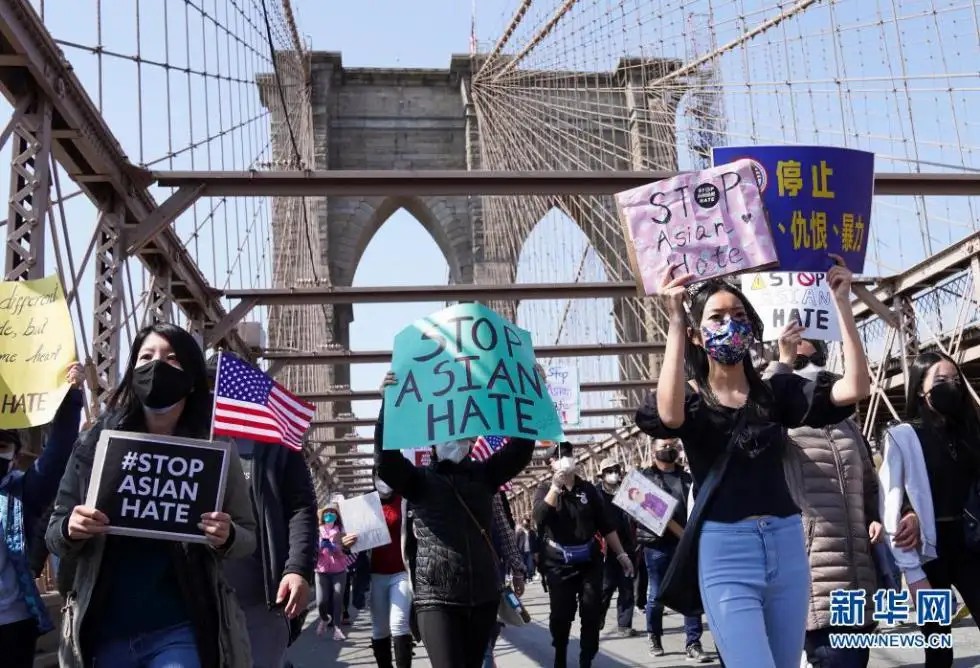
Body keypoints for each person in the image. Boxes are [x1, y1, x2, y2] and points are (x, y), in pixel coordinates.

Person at [635, 256, 870, 668]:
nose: (730, 323)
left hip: (785, 542)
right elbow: (668, 415)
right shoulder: (691, 399)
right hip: (725, 550)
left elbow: (855, 387)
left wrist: (843, 305)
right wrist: (674, 320)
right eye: (717, 317)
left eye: (739, 314)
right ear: (697, 335)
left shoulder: (775, 391)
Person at [46, 323, 257, 668]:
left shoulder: (215, 450)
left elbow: (247, 535)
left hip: (180, 628)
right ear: (132, 371)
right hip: (102, 630)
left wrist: (227, 535)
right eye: (146, 357)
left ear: (190, 376)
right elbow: (54, 533)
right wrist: (71, 528)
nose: (156, 366)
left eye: (171, 358)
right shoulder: (93, 444)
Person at [375, 372, 535, 668]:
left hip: (483, 596)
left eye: (463, 433)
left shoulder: (486, 476)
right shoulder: (419, 481)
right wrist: (388, 407)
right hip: (437, 597)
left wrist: (533, 395)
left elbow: (522, 449)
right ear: (433, 443)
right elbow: (386, 463)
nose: (457, 439)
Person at [765, 338, 883, 667]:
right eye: (800, 363)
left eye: (814, 355)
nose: (811, 369)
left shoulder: (847, 425)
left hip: (858, 575)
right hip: (813, 577)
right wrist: (782, 363)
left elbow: (870, 484)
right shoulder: (781, 427)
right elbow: (755, 415)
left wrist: (877, 517)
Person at [206, 355, 318, 668]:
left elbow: (302, 507)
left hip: (259, 595)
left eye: (220, 386)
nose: (213, 394)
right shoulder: (184, 435)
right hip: (197, 592)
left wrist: (298, 568)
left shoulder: (275, 442)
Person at [878, 351, 980, 668]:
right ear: (921, 388)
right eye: (939, 380)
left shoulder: (971, 432)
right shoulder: (903, 435)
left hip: (970, 546)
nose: (950, 386)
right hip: (928, 555)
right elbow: (890, 503)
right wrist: (912, 571)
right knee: (939, 646)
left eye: (954, 380)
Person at [0, 363, 84, 667]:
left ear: (16, 455)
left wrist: (71, 397)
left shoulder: (22, 492)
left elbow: (57, 455)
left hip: (11, 626)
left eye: (3, 446)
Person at [534, 441, 634, 668]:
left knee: (591, 610)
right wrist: (555, 488)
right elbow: (539, 518)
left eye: (569, 453)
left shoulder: (587, 489)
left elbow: (606, 526)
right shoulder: (544, 490)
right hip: (559, 563)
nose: (566, 458)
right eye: (559, 455)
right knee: (561, 614)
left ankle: (586, 658)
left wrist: (621, 554)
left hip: (589, 560)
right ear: (550, 463)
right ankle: (560, 653)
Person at [636, 438, 710, 661]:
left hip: (684, 543)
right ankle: (654, 635)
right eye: (663, 447)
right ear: (653, 451)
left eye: (672, 446)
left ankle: (693, 642)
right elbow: (642, 511)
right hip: (657, 544)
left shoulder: (688, 478)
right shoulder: (643, 480)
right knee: (656, 593)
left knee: (690, 590)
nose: (668, 450)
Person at [368, 472, 415, 668]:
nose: (384, 481)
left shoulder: (404, 501)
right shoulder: (365, 503)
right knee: (379, 629)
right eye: (379, 477)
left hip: (400, 572)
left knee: (399, 623)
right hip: (375, 574)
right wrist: (346, 543)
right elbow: (351, 541)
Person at [484, 490, 527, 668]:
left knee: (486, 633)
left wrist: (517, 570)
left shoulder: (491, 490)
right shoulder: (434, 483)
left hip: (489, 573)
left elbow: (505, 530)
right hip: (452, 580)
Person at [595, 457, 637, 637]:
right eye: (609, 470)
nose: (613, 473)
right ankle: (597, 619)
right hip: (605, 548)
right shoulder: (596, 494)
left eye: (616, 469)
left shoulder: (629, 491)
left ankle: (624, 625)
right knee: (605, 586)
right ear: (602, 475)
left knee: (627, 586)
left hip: (627, 544)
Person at [315, 497, 351, 641]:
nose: (329, 515)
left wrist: (335, 548)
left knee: (337, 599)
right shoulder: (317, 531)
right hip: (321, 570)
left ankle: (337, 628)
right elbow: (310, 549)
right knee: (321, 602)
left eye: (332, 512)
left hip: (339, 570)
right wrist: (320, 547)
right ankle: (324, 618)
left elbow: (347, 549)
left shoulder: (342, 530)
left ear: (336, 516)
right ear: (322, 515)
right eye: (326, 512)